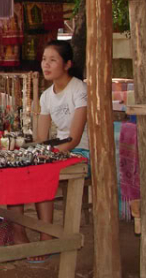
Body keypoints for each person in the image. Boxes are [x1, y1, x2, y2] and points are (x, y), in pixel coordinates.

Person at [9, 40, 88, 263]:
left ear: (67, 64)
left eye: (53, 60)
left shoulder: (79, 89)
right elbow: (41, 138)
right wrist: (37, 151)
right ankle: (18, 231)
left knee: (43, 169)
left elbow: (73, 139)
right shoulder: (45, 96)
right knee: (17, 167)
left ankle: (46, 237)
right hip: (58, 151)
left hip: (82, 151)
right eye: (44, 59)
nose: (46, 64)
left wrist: (47, 155)